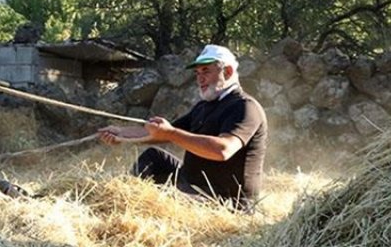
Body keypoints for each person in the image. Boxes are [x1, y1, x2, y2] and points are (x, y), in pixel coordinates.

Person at [99, 44, 268, 211]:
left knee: (165, 202)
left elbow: (223, 150)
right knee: (153, 156)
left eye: (206, 71)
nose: (200, 79)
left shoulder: (245, 107)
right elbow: (159, 133)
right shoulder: (204, 106)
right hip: (191, 183)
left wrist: (171, 133)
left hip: (223, 200)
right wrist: (120, 133)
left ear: (228, 72)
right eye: (197, 73)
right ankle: (120, 206)